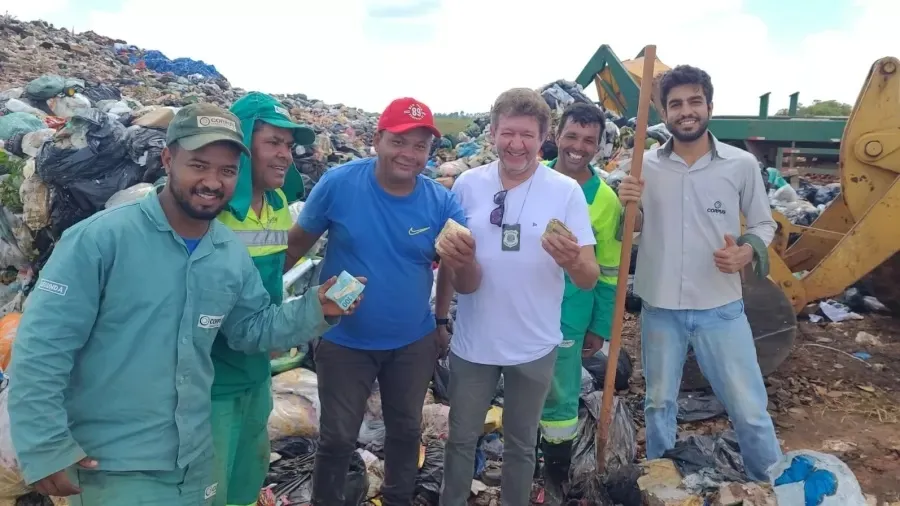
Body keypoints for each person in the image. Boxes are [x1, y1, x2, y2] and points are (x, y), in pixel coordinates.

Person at [7, 103, 361, 505]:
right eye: (199, 165)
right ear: (167, 160)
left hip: (193, 459)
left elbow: (251, 329)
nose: (212, 181)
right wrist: (45, 445)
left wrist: (317, 309)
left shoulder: (227, 252)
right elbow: (43, 348)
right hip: (114, 463)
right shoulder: (100, 240)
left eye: (227, 171)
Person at [285, 97, 477, 506]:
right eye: (399, 142)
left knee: (406, 431)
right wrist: (265, 305)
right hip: (343, 339)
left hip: (411, 341)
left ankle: (398, 499)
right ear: (377, 140)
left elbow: (454, 261)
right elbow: (294, 247)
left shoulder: (439, 201)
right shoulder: (340, 183)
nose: (409, 154)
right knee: (336, 437)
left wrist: (442, 321)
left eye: (420, 146)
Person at [617, 65, 782, 481]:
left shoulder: (740, 164)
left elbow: (764, 224)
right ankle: (662, 482)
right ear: (663, 112)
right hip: (660, 310)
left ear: (709, 106)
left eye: (694, 102)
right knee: (658, 405)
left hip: (720, 307)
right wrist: (628, 205)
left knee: (748, 407)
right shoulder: (645, 166)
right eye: (675, 104)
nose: (685, 111)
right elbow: (628, 233)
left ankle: (770, 482)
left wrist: (747, 251)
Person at [435, 88, 599, 506]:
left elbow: (588, 276)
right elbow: (452, 260)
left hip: (534, 344)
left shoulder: (564, 192)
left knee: (522, 444)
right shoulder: (469, 186)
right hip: (475, 343)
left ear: (543, 137)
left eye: (527, 135)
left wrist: (572, 261)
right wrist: (440, 319)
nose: (516, 144)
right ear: (492, 133)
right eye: (508, 133)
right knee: (460, 439)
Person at [210, 92, 318, 506]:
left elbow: (278, 266)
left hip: (258, 369)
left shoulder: (276, 205)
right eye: (273, 142)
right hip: (212, 377)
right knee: (209, 485)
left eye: (289, 146)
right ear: (242, 145)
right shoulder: (211, 208)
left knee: (248, 473)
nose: (285, 155)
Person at [538, 102, 622, 502]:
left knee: (560, 392)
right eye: (571, 136)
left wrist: (600, 325)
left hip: (570, 312)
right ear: (557, 135)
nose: (578, 147)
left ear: (599, 146)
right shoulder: (530, 179)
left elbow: (608, 271)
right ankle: (522, 457)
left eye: (589, 140)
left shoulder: (605, 201)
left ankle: (555, 472)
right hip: (519, 307)